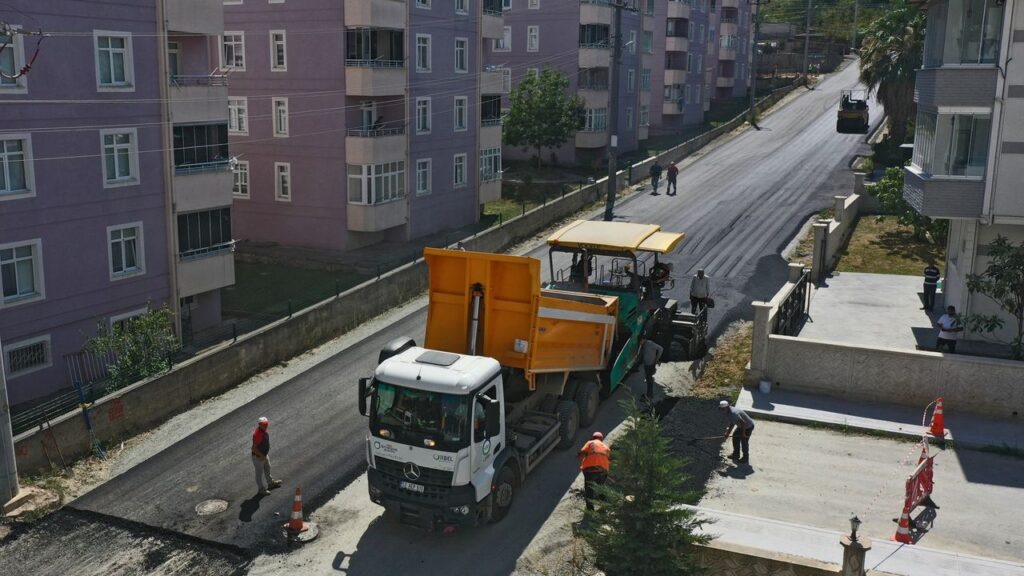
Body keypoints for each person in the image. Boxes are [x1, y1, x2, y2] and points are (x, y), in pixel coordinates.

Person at [577, 431, 611, 511]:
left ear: (593, 438)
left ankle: (590, 510)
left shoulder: (590, 443)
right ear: (601, 439)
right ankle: (605, 506)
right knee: (601, 488)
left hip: (590, 471)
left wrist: (579, 457)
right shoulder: (606, 447)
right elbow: (608, 460)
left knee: (589, 490)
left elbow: (582, 454)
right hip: (603, 471)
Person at [251, 417, 282, 496]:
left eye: (266, 424)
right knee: (259, 474)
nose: (266, 426)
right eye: (264, 424)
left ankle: (270, 483)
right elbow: (253, 449)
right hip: (258, 457)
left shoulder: (263, 430)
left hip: (264, 455)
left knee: (268, 468)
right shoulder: (258, 434)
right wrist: (261, 456)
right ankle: (261, 489)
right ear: (259, 425)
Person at [639, 335, 664, 399]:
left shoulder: (650, 343)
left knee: (649, 380)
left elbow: (661, 349)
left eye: (640, 341)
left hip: (650, 365)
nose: (640, 343)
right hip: (647, 365)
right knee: (648, 379)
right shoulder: (644, 345)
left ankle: (649, 395)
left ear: (643, 339)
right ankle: (649, 394)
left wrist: (656, 359)